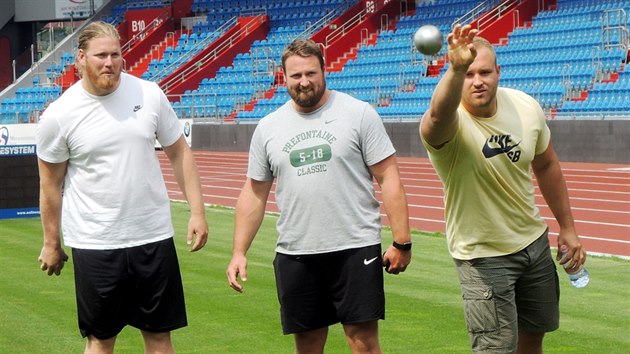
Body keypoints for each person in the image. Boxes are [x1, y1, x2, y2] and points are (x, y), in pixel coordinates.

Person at [226, 39, 412, 354]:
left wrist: (402, 241)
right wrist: (238, 252)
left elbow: (388, 176)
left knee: (363, 341)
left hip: (355, 247)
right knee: (308, 344)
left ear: (325, 70)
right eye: (296, 75)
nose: (304, 81)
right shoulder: (268, 127)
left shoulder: (358, 114)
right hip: (296, 251)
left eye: (311, 73)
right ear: (282, 77)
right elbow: (255, 193)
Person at [36, 21, 208, 354]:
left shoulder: (149, 94)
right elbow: (50, 186)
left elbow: (179, 153)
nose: (110, 62)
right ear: (81, 59)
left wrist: (197, 212)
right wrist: (51, 243)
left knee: (160, 337)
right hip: (96, 243)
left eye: (116, 54)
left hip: (152, 236)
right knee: (100, 340)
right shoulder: (59, 115)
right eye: (101, 55)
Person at [419, 24, 587, 353]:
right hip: (482, 256)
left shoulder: (525, 107)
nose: (477, 80)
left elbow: (547, 164)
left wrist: (567, 227)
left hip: (533, 245)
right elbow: (437, 116)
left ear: (499, 71)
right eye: (468, 74)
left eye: (484, 72)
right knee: (496, 349)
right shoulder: (450, 124)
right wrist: (454, 68)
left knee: (533, 338)